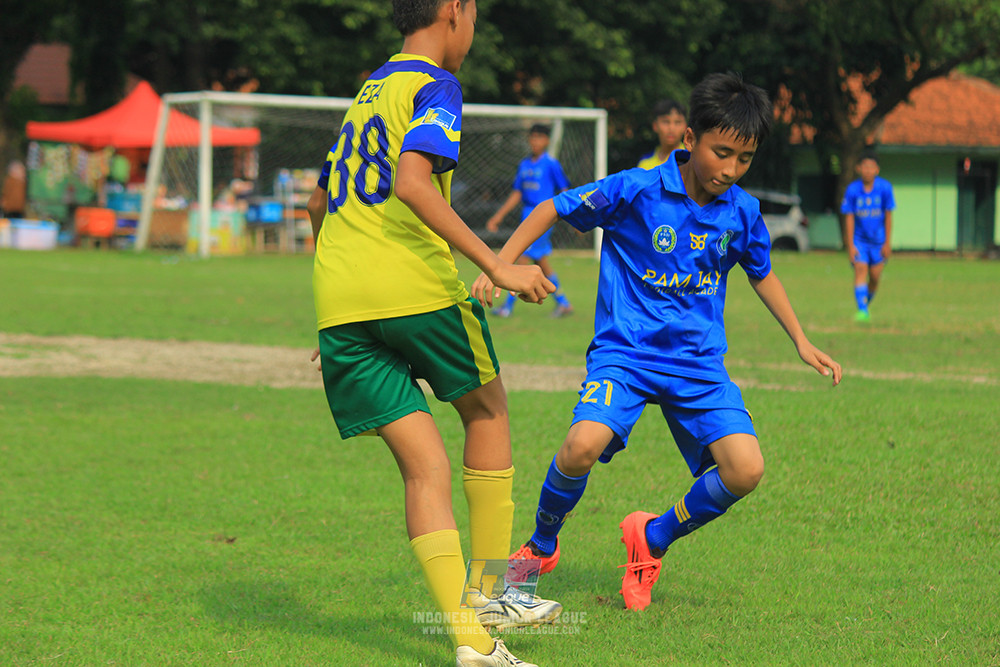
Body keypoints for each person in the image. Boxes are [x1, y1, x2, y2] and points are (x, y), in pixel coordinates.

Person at [473, 72, 842, 612]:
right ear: (689, 139)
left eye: (745, 159)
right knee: (580, 445)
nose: (731, 170)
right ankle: (540, 546)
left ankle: (651, 538)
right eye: (722, 153)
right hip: (625, 355)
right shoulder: (637, 189)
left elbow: (761, 273)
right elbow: (554, 208)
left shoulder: (741, 211)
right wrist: (501, 263)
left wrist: (801, 340)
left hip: (697, 365)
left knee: (746, 469)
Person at [306, 1, 560, 665]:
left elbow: (317, 199)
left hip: (340, 300)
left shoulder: (370, 90)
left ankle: (473, 643)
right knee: (488, 408)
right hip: (412, 285)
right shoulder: (434, 85)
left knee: (425, 469)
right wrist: (497, 262)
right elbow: (414, 182)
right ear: (454, 10)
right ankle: (495, 597)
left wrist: (340, 301)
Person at [485, 124, 574, 318]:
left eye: (540, 137)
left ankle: (507, 307)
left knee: (521, 259)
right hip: (526, 215)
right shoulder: (524, 165)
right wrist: (498, 216)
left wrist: (576, 215)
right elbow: (517, 193)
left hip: (543, 216)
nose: (535, 141)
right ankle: (564, 303)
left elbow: (565, 191)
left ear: (547, 141)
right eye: (532, 137)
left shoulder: (551, 164)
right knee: (540, 261)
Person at [841, 151, 895, 322]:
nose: (868, 170)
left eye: (871, 167)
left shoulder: (885, 188)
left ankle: (864, 303)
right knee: (860, 269)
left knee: (875, 277)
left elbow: (888, 216)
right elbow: (848, 217)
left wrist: (887, 243)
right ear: (859, 168)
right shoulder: (853, 190)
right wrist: (850, 244)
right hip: (860, 241)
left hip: (878, 242)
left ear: (877, 170)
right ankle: (862, 310)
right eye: (864, 166)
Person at [635, 99, 687, 170]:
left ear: (685, 127)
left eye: (677, 122)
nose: (671, 128)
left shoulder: (692, 160)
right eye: (666, 122)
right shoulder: (645, 164)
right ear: (655, 125)